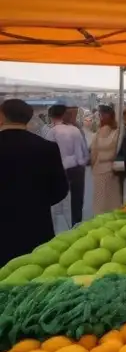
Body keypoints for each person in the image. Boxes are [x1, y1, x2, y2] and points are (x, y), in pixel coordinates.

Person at [0, 98, 69, 265]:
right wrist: (37, 202)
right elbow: (60, 189)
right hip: (37, 224)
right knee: (34, 278)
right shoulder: (47, 147)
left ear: (1, 117)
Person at [45, 104, 90, 226]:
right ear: (64, 114)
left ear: (50, 116)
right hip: (77, 168)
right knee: (77, 198)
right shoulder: (75, 130)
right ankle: (77, 223)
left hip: (60, 169)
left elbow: (49, 154)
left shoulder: (51, 132)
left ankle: (61, 225)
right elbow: (84, 150)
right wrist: (82, 163)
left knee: (60, 200)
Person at [90, 105, 122, 215]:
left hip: (99, 168)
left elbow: (93, 153)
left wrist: (92, 165)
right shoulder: (117, 132)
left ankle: (100, 217)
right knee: (113, 197)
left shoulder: (98, 133)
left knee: (99, 198)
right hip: (113, 168)